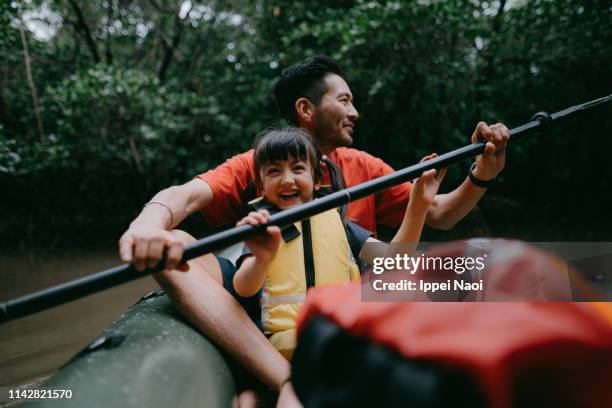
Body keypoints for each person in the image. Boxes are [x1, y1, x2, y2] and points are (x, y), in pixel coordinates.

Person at [118, 55, 509, 403]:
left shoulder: (362, 166)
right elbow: (184, 197)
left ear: (320, 177)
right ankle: (280, 378)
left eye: (299, 171)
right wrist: (146, 227)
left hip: (355, 301)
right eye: (344, 100)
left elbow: (436, 213)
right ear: (306, 109)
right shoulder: (258, 163)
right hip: (275, 314)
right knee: (179, 244)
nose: (355, 112)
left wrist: (483, 174)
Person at [230, 128, 445, 362]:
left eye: (298, 168)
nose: (287, 179)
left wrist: (419, 204)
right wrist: (262, 259)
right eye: (274, 171)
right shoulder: (262, 231)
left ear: (315, 179)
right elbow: (243, 287)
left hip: (342, 333)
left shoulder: (338, 223)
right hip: (290, 341)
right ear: (261, 185)